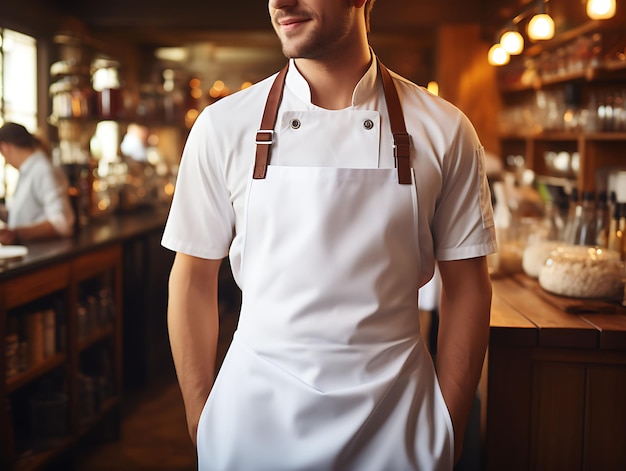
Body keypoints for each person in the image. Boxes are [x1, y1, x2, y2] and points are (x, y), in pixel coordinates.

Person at [162, 0, 497, 469]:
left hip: (398, 424)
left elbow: (467, 287)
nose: (280, 2)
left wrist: (450, 427)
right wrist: (202, 416)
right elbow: (193, 276)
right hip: (252, 424)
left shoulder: (445, 130)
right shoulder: (222, 128)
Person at [0, 122, 75, 244]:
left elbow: (62, 223)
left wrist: (16, 233)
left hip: (44, 256)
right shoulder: (26, 172)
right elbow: (27, 215)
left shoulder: (43, 170)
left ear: (6, 148)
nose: (6, 162)